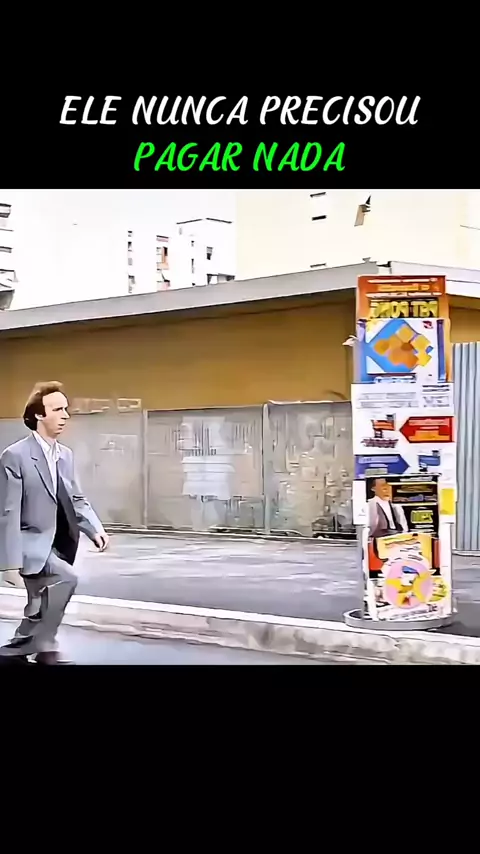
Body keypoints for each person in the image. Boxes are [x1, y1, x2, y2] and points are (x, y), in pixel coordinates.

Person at [0, 381, 109, 665]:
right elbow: (8, 512)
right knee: (66, 579)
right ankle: (40, 645)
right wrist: (9, 564)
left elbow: (76, 498)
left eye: (65, 409)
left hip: (58, 542)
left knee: (39, 604)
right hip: (29, 542)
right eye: (58, 409)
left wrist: (94, 528)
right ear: (39, 414)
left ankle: (22, 649)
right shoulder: (15, 456)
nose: (65, 415)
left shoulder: (65, 455)